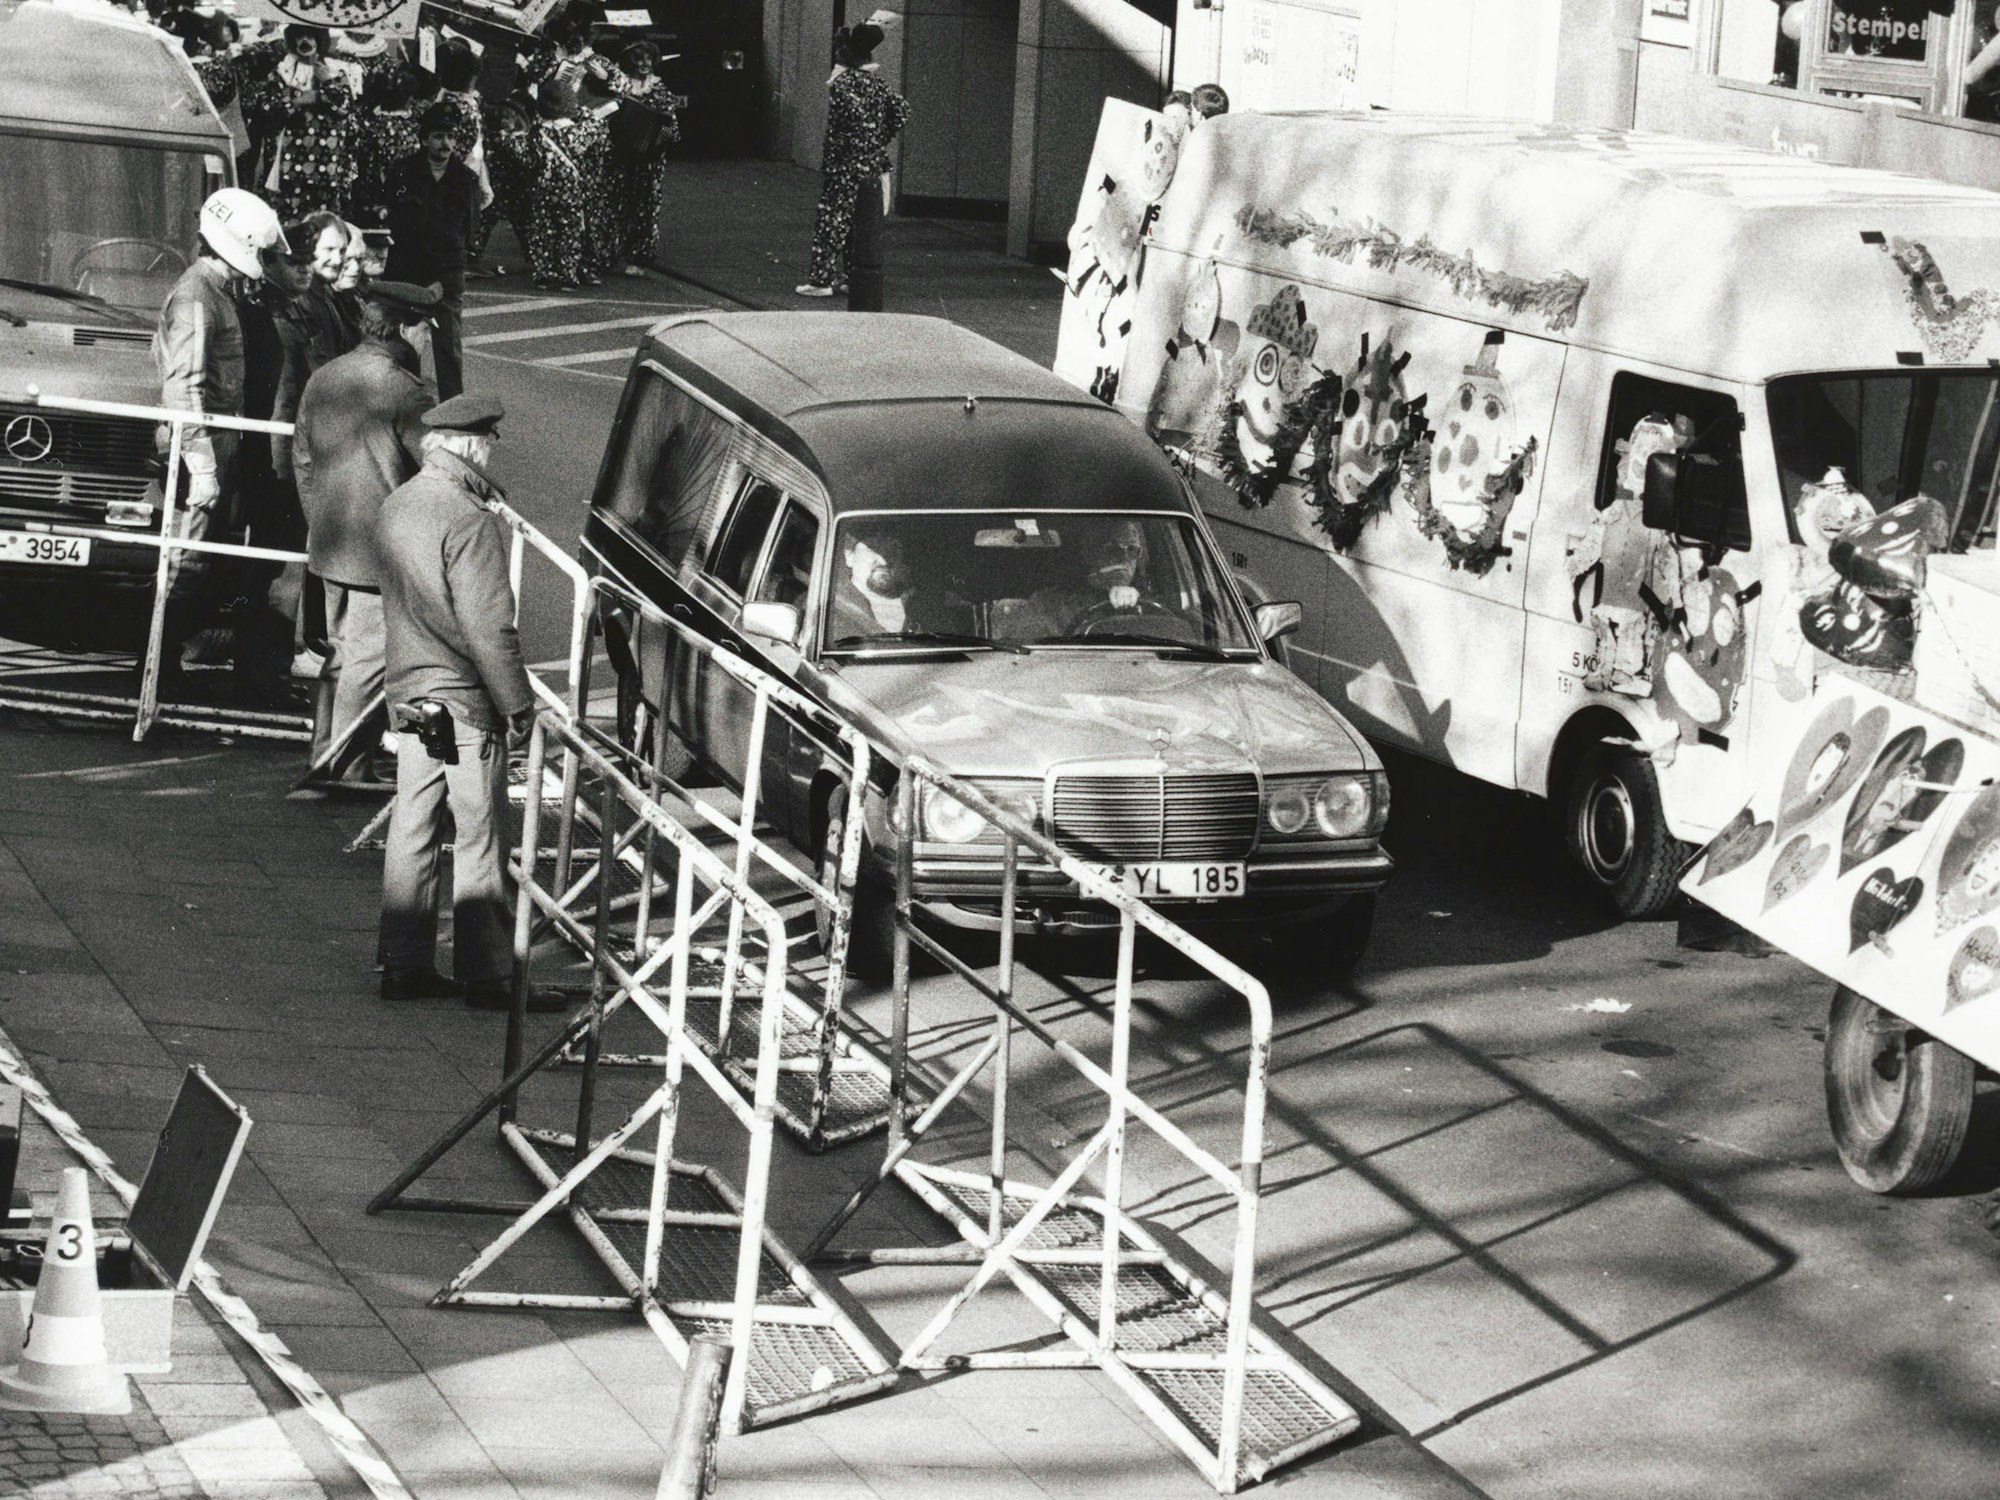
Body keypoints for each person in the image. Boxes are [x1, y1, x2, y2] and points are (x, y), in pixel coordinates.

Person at [374, 395, 565, 1011]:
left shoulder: (399, 502)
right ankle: (487, 977)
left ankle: (404, 964)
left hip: (409, 690)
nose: (492, 453)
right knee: (481, 833)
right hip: (459, 698)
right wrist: (518, 706)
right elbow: (489, 629)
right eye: (490, 442)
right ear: (472, 446)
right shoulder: (470, 519)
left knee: (413, 824)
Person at [292, 280, 439, 785]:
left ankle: (325, 755)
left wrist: (319, 521)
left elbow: (303, 459)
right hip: (380, 555)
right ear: (402, 328)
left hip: (330, 544)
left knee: (339, 655)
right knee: (368, 663)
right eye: (424, 327)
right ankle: (344, 767)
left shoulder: (326, 376)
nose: (428, 338)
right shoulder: (407, 392)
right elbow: (437, 470)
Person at [153, 188, 290, 688]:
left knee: (198, 561)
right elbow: (184, 387)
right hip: (199, 455)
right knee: (184, 562)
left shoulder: (216, 293)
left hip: (215, 448)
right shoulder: (197, 297)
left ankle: (163, 665)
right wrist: (204, 469)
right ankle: (157, 669)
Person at [797, 23, 908, 298]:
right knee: (858, 223)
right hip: (871, 162)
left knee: (832, 219)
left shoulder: (843, 83)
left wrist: (855, 139)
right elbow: (902, 110)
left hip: (844, 162)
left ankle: (821, 280)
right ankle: (852, 277)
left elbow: (852, 114)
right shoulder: (875, 82)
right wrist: (879, 137)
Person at [384, 101, 485, 399]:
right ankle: (400, 399)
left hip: (446, 272)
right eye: (439, 136)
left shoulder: (466, 179)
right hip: (406, 268)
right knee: (401, 339)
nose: (446, 143)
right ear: (425, 138)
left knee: (448, 344)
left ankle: (453, 408)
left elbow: (471, 226)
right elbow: (393, 202)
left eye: (451, 137)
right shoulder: (403, 172)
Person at [605, 39, 682, 276]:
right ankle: (614, 251)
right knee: (619, 202)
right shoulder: (623, 87)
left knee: (646, 206)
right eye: (639, 59)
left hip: (650, 158)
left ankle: (639, 256)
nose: (644, 64)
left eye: (648, 59)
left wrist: (663, 135)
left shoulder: (661, 90)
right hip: (622, 154)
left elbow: (674, 130)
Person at [1009, 519, 1154, 640]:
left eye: (1132, 550)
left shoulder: (1152, 601)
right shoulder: (1047, 604)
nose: (1124, 557)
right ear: (1087, 554)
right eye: (1112, 549)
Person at [826, 524, 969, 641]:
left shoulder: (928, 605)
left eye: (891, 550)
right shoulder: (830, 613)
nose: (883, 559)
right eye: (872, 548)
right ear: (849, 557)